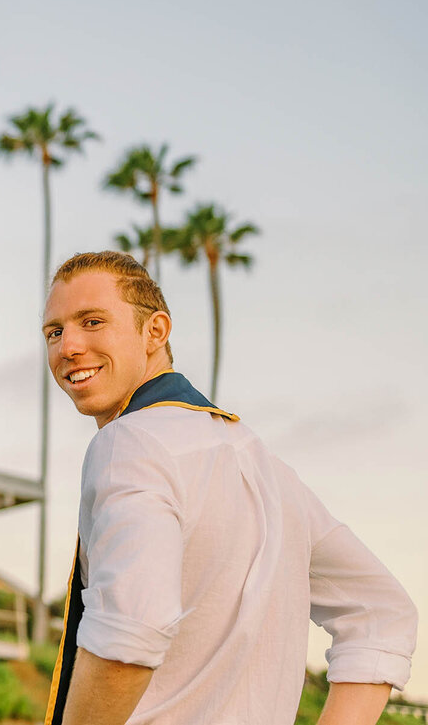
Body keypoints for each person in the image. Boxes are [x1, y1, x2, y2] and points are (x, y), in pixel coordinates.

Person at [39, 251, 416, 725]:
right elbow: (382, 613)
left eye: (91, 321)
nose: (68, 346)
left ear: (156, 331)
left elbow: (130, 628)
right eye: (54, 331)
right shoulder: (271, 472)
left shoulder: (129, 443)